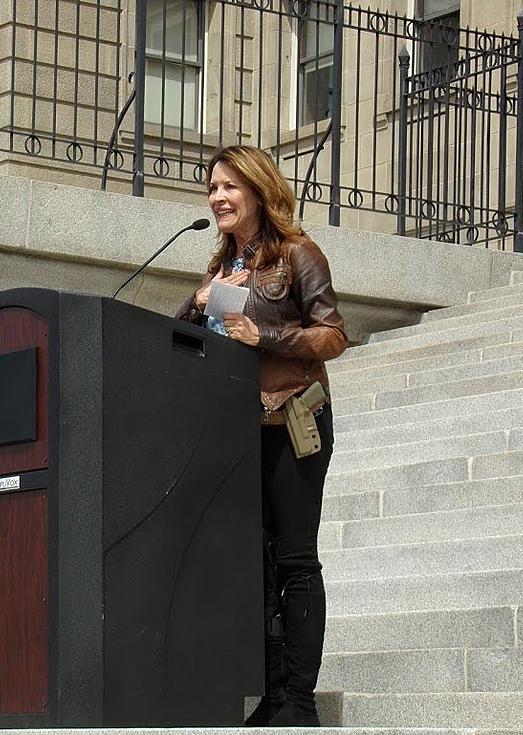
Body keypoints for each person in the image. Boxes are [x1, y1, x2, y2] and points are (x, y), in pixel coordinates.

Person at [177, 145, 347, 726]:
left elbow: (332, 336)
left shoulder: (298, 255)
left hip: (293, 420)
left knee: (295, 558)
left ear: (257, 190)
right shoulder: (219, 269)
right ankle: (271, 695)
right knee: (255, 564)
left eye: (229, 187)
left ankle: (298, 705)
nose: (218, 198)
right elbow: (181, 340)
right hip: (237, 430)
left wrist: (265, 336)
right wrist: (196, 305)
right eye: (211, 188)